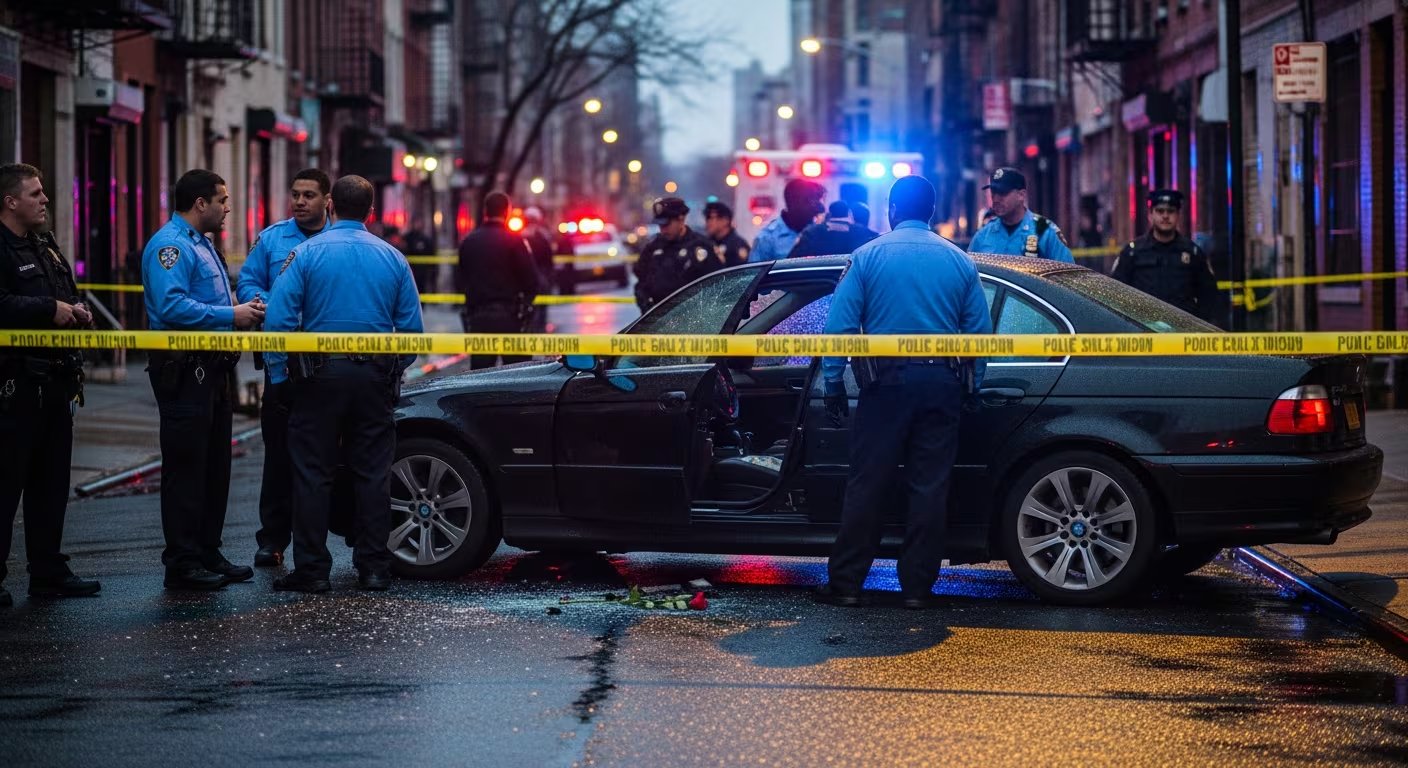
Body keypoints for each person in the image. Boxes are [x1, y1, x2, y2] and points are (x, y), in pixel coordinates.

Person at [817, 175, 993, 611]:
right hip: (940, 386)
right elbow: (979, 335)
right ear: (931, 212)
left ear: (892, 209)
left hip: (885, 387)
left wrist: (834, 381)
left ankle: (848, 586)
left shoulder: (867, 256)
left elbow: (839, 325)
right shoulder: (959, 260)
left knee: (868, 483)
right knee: (929, 488)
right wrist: (974, 384)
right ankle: (917, 589)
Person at [262, 175, 424, 594]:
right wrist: (392, 369)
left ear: (331, 204)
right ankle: (373, 568)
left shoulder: (305, 253)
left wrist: (279, 376)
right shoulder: (393, 258)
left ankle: (313, 570)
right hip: (373, 378)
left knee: (312, 472)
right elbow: (412, 332)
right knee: (373, 473)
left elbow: (279, 321)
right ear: (371, 212)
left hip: (319, 379)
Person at [143, 169, 265, 591]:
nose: (228, 207)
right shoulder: (171, 247)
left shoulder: (204, 244)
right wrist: (232, 315)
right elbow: (173, 306)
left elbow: (211, 300)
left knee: (215, 467)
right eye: (223, 199)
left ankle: (207, 550)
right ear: (201, 204)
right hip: (184, 369)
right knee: (187, 466)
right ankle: (182, 561)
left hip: (213, 367)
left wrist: (239, 309)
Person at [0, 163, 102, 607]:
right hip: (14, 387)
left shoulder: (44, 244)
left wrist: (76, 308)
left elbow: (67, 290)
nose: (44, 200)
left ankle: (48, 571)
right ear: (10, 201)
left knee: (50, 484)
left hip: (56, 384)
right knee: (5, 485)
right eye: (36, 193)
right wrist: (48, 308)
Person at [236, 168, 331, 568]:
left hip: (328, 367)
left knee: (325, 459)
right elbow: (248, 281)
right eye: (295, 194)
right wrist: (263, 303)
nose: (299, 201)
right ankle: (272, 539)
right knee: (277, 458)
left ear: (328, 200)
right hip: (281, 366)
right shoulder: (273, 238)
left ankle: (319, 543)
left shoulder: (338, 239)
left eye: (309, 195)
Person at [457, 192, 540, 368]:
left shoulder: (469, 241)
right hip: (511, 316)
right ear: (507, 211)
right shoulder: (515, 241)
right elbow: (531, 280)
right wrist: (526, 305)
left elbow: (460, 279)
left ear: (485, 211)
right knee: (518, 374)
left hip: (479, 317)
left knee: (480, 376)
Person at [1113, 189, 1220, 323]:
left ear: (1178, 215)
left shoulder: (1193, 253)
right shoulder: (1132, 253)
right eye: (1160, 211)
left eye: (1170, 211)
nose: (1165, 216)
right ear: (1150, 215)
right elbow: (1116, 294)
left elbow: (1209, 296)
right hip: (1144, 332)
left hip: (1183, 332)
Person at [967, 167, 1073, 262]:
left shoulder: (1045, 231)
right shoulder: (983, 235)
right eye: (993, 192)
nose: (996, 199)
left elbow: (1067, 277)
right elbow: (969, 276)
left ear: (1021, 195)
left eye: (1003, 193)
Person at [633, 197, 716, 311]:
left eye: (667, 225)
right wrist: (646, 305)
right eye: (660, 226)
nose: (663, 230)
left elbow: (715, 286)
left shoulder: (701, 246)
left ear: (681, 219)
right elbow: (641, 282)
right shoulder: (652, 247)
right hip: (657, 320)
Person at [749, 179, 824, 262]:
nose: (818, 209)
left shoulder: (820, 233)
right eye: (812, 203)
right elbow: (755, 273)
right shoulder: (767, 239)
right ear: (795, 202)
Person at [788, 200, 878, 258]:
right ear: (848, 213)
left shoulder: (812, 232)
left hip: (817, 283)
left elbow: (792, 260)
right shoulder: (864, 233)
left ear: (830, 213)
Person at [520, 206, 556, 333]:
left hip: (535, 277)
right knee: (538, 307)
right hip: (537, 276)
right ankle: (536, 329)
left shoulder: (524, 236)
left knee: (536, 307)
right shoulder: (535, 236)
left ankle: (535, 329)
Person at [703, 201, 751, 267]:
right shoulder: (706, 243)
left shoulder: (737, 245)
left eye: (710, 217)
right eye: (706, 218)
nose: (708, 222)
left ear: (725, 220)